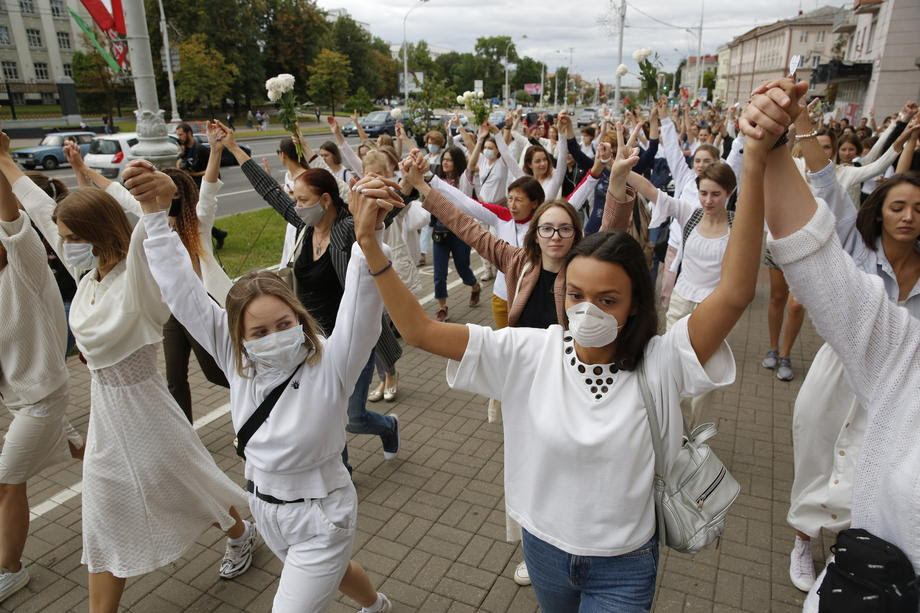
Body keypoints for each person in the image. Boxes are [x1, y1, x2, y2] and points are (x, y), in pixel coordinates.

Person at [347, 83, 779, 609]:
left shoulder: (663, 360)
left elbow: (734, 293)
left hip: (625, 561)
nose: (586, 311)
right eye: (575, 294)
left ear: (635, 306)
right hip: (545, 550)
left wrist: (754, 163)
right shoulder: (531, 352)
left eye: (608, 299)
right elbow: (418, 331)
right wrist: (369, 244)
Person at [131, 160, 394, 613]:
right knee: (332, 571)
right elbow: (183, 292)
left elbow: (361, 305)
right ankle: (377, 606)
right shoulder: (239, 363)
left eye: (284, 323)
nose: (274, 336)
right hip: (264, 508)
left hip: (321, 514)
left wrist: (367, 240)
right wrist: (155, 215)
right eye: (258, 332)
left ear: (299, 319)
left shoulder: (331, 362)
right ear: (240, 339)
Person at [21, 160, 256, 611]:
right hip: (107, 416)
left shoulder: (139, 276)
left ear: (98, 233)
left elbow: (154, 231)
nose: (65, 247)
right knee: (103, 514)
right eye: (64, 238)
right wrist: (6, 163)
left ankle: (241, 533)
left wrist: (160, 199)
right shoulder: (88, 279)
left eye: (72, 238)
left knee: (187, 484)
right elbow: (35, 204)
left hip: (148, 412)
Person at [747, 77, 919, 613]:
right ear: (879, 213)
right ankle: (804, 539)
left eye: (918, 208)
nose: (908, 216)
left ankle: (839, 534)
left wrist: (901, 138)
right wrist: (778, 139)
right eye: (898, 207)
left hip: (887, 401)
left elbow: (877, 162)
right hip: (843, 366)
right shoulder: (855, 241)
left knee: (857, 469)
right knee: (821, 455)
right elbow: (815, 244)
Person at [221, 124, 401, 465]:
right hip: (313, 340)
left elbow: (380, 221)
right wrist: (234, 149)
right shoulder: (305, 226)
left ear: (326, 200)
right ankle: (341, 468)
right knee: (327, 413)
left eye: (303, 200)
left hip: (349, 340)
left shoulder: (346, 230)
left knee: (355, 418)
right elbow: (271, 192)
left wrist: (386, 197)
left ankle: (387, 426)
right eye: (296, 200)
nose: (297, 206)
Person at [0, 168, 83, 603]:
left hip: (42, 398)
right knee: (84, 451)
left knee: (7, 483)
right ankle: (130, 471)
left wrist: (1, 163)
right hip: (19, 398)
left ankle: (10, 569)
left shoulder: (25, 265)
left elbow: (12, 219)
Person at [427, 146, 481, 322]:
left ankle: (474, 286)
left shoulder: (464, 181)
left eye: (449, 159)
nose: (444, 162)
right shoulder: (437, 181)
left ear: (457, 162)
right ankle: (442, 307)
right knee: (439, 273)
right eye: (443, 159)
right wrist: (404, 137)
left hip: (460, 233)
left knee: (463, 268)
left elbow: (472, 162)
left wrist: (479, 140)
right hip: (440, 233)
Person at [174, 122, 229, 249]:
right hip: (189, 186)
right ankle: (218, 234)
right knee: (195, 216)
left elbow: (213, 170)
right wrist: (181, 156)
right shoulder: (184, 149)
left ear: (189, 133)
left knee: (198, 215)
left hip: (201, 186)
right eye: (177, 135)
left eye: (181, 134)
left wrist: (194, 173)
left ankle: (212, 238)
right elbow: (180, 167)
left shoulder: (200, 149)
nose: (179, 138)